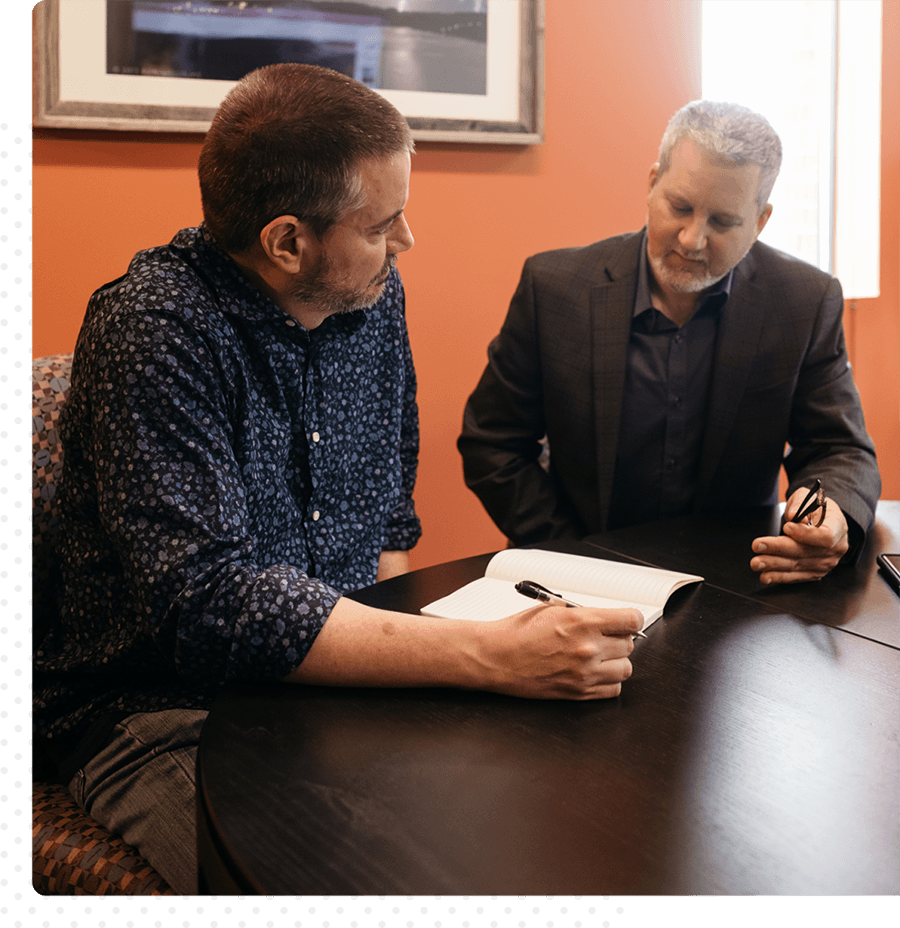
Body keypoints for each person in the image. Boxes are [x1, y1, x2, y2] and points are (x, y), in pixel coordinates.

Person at [33, 63, 641, 895]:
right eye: (385, 222)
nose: (407, 241)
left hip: (332, 684)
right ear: (288, 242)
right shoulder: (154, 328)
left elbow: (389, 499)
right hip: (161, 709)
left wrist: (426, 660)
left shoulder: (370, 292)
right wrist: (485, 657)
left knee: (530, 834)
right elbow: (209, 608)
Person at [459, 100, 880, 585]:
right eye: (679, 207)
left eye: (723, 222)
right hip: (575, 578)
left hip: (737, 583)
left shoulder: (805, 300)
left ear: (760, 221)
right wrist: (568, 553)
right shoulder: (554, 287)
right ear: (652, 182)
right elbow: (492, 443)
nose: (692, 239)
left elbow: (839, 448)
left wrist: (831, 517)